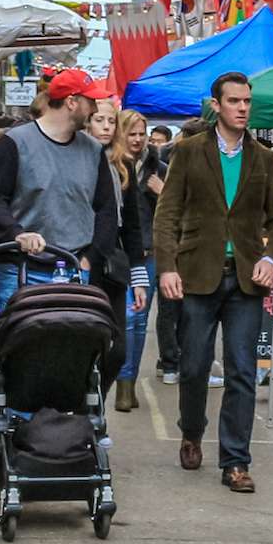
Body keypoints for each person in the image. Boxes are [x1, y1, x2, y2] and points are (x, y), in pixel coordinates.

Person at [152, 72, 273, 493]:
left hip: (245, 280)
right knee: (192, 366)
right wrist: (167, 267)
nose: (243, 108)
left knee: (242, 371)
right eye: (234, 101)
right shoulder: (190, 152)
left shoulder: (265, 158)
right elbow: (167, 214)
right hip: (197, 275)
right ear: (216, 105)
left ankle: (235, 461)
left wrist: (270, 256)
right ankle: (192, 430)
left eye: (247, 101)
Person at [0, 68, 124, 315]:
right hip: (19, 269)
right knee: (17, 345)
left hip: (75, 268)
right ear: (71, 102)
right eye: (91, 102)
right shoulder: (14, 143)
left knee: (72, 348)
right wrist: (16, 234)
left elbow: (106, 209)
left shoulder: (93, 150)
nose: (96, 110)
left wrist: (91, 257)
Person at [105, 105, 159, 411]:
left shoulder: (157, 167)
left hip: (148, 254)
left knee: (139, 320)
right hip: (118, 256)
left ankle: (129, 383)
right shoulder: (111, 165)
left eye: (143, 134)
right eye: (132, 133)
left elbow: (178, 211)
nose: (138, 139)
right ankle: (121, 381)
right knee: (125, 319)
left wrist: (162, 193)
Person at [141, 123, 183, 382]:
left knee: (170, 309)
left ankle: (169, 363)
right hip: (145, 250)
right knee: (139, 315)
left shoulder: (166, 171)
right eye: (151, 139)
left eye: (159, 141)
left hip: (168, 249)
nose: (153, 144)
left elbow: (183, 208)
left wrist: (162, 191)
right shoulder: (138, 170)